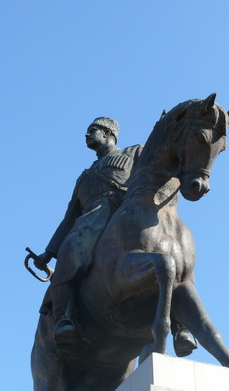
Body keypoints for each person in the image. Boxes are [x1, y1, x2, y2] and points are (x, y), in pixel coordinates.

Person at [33, 117, 197, 355]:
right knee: (70, 250)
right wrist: (49, 253)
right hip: (92, 220)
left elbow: (161, 169)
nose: (87, 135)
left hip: (129, 213)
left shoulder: (134, 152)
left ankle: (181, 326)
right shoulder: (84, 177)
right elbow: (70, 217)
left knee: (174, 250)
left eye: (93, 130)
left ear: (108, 133)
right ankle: (64, 318)